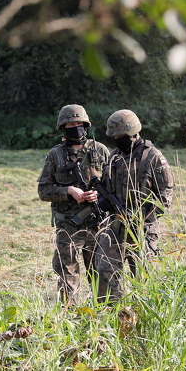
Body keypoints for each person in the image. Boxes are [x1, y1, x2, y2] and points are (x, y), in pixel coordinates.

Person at [95, 109, 174, 302]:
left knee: (143, 275)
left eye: (121, 136)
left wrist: (143, 218)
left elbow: (165, 196)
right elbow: (105, 187)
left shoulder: (152, 157)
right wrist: (102, 200)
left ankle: (143, 316)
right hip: (115, 224)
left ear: (133, 133)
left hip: (142, 228)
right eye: (114, 137)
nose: (117, 140)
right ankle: (112, 314)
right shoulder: (114, 157)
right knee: (105, 269)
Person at [37, 105, 112, 302]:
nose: (75, 127)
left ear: (86, 125)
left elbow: (114, 187)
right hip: (67, 225)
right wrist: (68, 191)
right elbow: (43, 191)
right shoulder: (55, 155)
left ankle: (101, 317)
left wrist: (99, 196)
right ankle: (66, 316)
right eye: (71, 124)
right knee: (66, 276)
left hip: (97, 223)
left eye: (79, 123)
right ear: (63, 127)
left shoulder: (100, 151)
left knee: (100, 274)